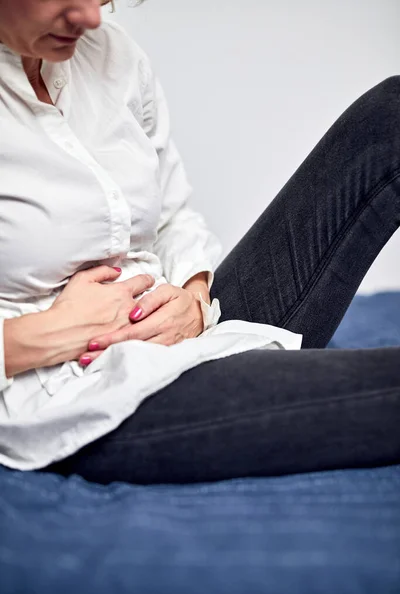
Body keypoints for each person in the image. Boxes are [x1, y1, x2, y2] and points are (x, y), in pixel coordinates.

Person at [0, 0, 399, 485]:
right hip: (77, 396)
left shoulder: (113, 55)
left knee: (392, 114)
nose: (90, 17)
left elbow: (169, 214)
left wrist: (194, 295)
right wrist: (42, 337)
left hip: (192, 329)